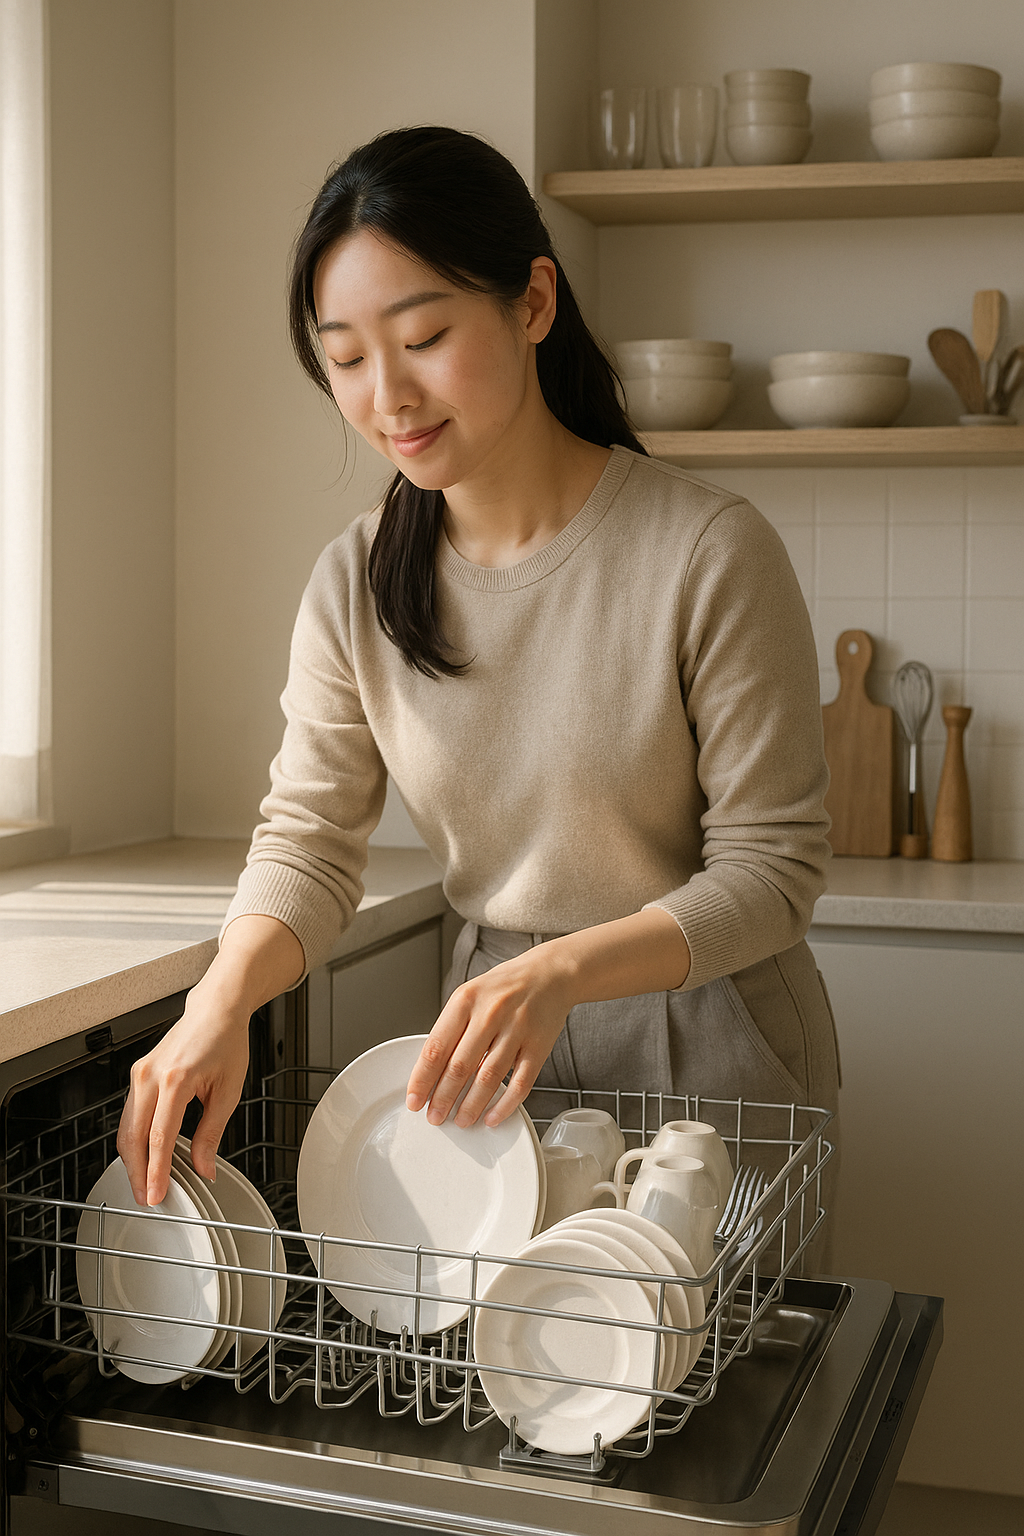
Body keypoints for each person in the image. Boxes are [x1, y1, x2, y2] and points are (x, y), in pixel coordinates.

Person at [117, 126, 840, 1227]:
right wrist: (216, 1003)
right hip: (494, 1060)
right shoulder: (355, 581)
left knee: (728, 1388)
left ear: (532, 303)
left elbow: (773, 871)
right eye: (347, 357)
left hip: (710, 1039)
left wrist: (558, 974)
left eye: (423, 337)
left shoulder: (706, 550)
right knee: (516, 1387)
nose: (387, 396)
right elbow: (308, 841)